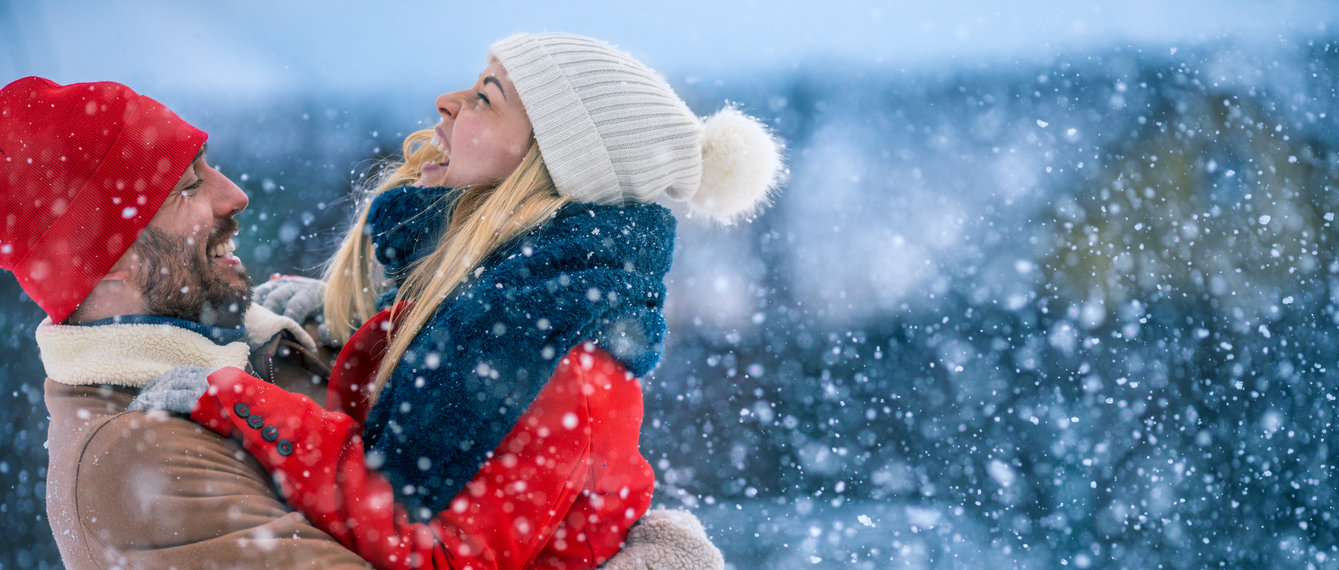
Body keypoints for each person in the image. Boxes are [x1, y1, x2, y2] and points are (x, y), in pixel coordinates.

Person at [0, 76, 719, 569]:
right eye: (188, 186)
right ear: (113, 260)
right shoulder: (135, 457)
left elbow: (518, 465)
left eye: (209, 167)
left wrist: (367, 327)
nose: (235, 193)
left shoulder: (267, 346)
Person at [135, 32, 782, 569]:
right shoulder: (501, 305)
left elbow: (444, 553)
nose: (446, 103)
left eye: (484, 99)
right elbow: (420, 409)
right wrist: (343, 324)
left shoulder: (566, 370)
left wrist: (247, 408)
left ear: (548, 163)